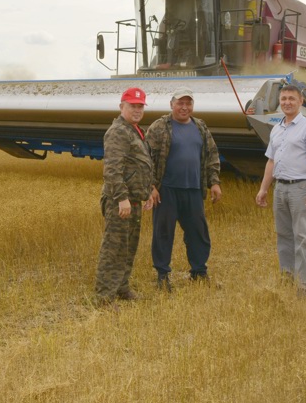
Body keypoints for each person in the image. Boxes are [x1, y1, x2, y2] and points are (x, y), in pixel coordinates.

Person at [145, 87, 222, 292]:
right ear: (172, 105)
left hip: (193, 190)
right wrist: (151, 186)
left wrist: (214, 182)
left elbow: (211, 155)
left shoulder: (200, 127)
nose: (184, 107)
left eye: (188, 103)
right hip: (167, 190)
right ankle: (162, 276)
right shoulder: (159, 127)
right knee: (163, 234)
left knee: (198, 233)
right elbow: (146, 159)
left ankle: (199, 272)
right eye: (180, 103)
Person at [255, 83, 306, 296]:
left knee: (303, 237)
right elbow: (271, 162)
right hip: (281, 189)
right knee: (284, 235)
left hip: (301, 188)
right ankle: (287, 278)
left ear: (300, 101)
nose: (286, 102)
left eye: (291, 99)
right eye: (283, 98)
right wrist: (263, 189)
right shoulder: (277, 128)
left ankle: (304, 286)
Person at [94, 87, 155, 305]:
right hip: (120, 201)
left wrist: (148, 191)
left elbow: (140, 165)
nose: (137, 110)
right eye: (132, 106)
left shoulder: (135, 130)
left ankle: (122, 287)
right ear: (122, 107)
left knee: (129, 246)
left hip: (134, 199)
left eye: (140, 106)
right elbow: (112, 169)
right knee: (114, 248)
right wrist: (122, 198)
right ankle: (104, 296)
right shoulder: (118, 132)